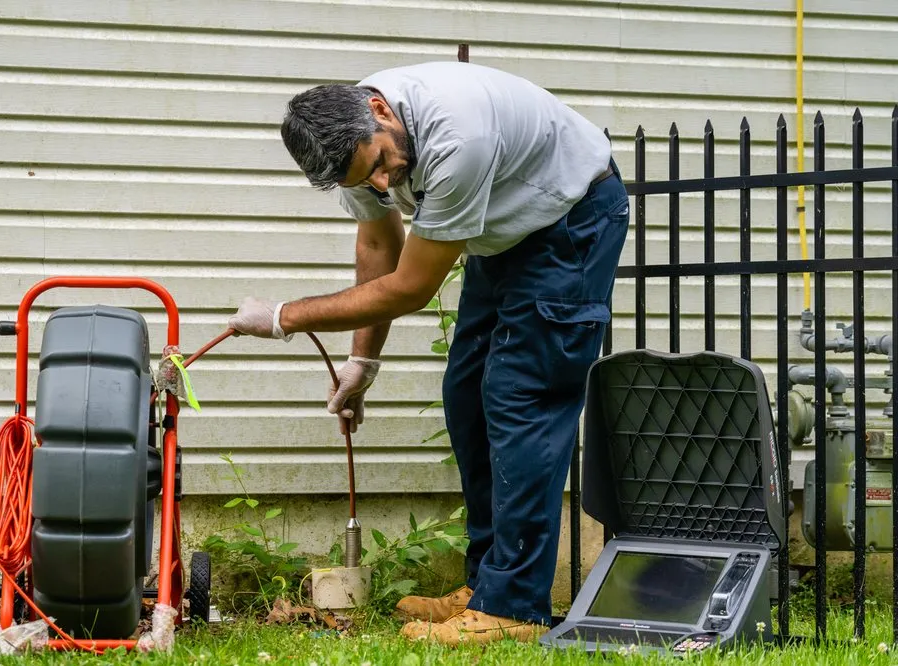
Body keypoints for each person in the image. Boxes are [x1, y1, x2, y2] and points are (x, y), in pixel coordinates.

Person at [226, 60, 630, 645]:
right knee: (466, 395)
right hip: (506, 235)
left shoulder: (457, 136)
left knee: (522, 396)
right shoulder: (357, 147)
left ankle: (514, 607)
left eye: (382, 164)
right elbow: (378, 245)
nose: (386, 185)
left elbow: (412, 286)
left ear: (381, 111)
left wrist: (286, 317)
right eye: (367, 181)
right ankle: (489, 585)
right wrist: (363, 363)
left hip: (570, 223)